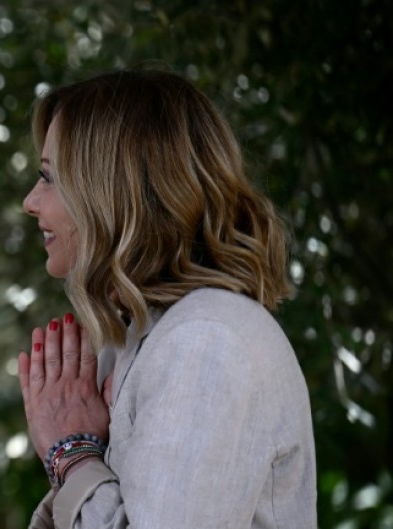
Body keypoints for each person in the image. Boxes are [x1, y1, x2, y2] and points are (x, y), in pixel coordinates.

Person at [18, 69, 316, 528]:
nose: (30, 202)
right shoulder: (145, 335)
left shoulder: (206, 342)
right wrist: (74, 454)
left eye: (48, 178)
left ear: (112, 192)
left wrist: (71, 451)